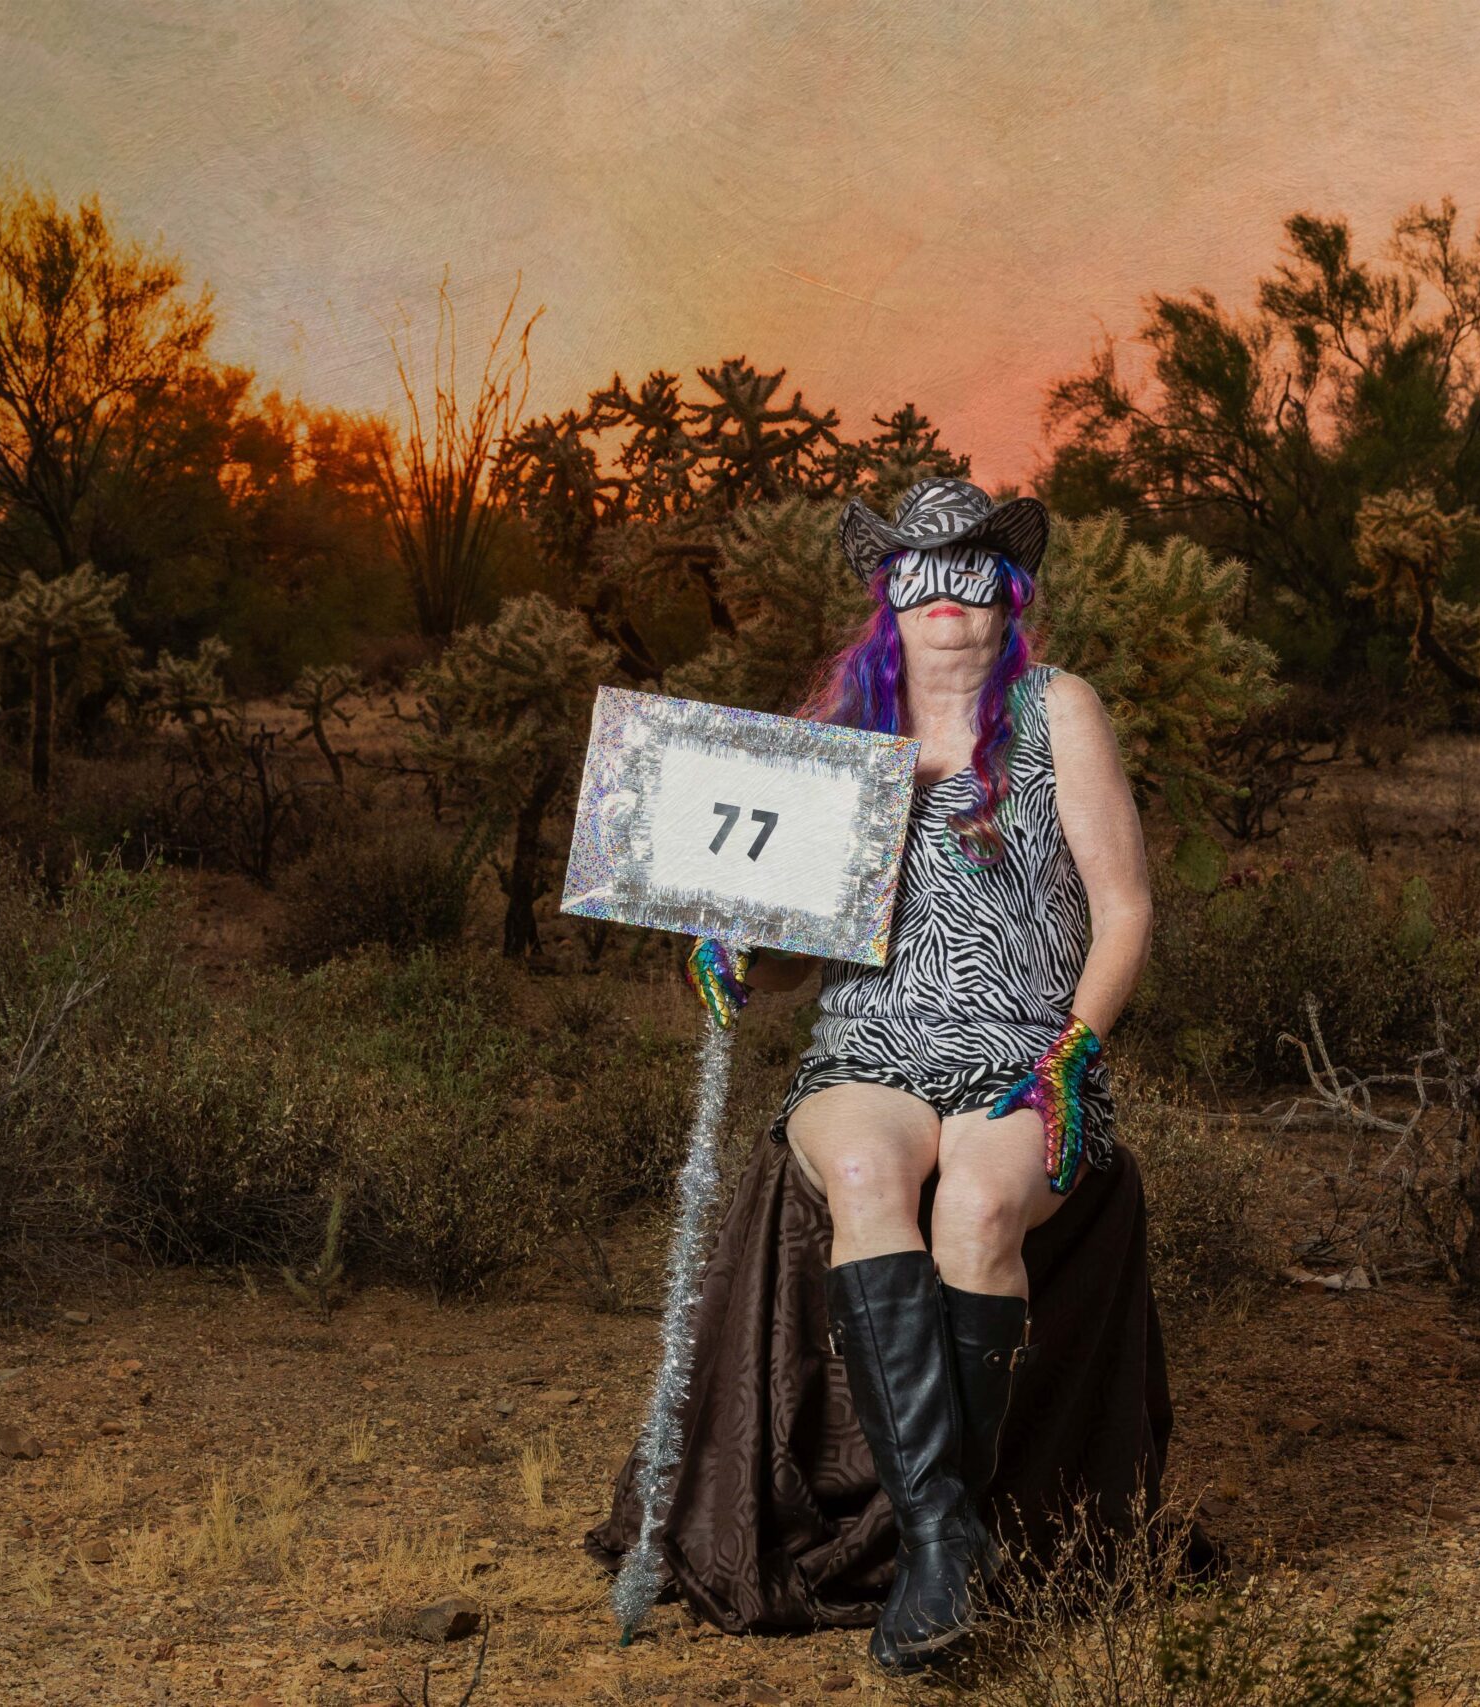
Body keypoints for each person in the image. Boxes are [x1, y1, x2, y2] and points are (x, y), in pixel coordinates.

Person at [587, 476, 1164, 1676]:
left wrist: (1076, 1047)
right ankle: (946, 1539)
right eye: (918, 570)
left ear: (1007, 593)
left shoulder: (1059, 713)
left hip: (1022, 1050)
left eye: (970, 568)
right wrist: (741, 951)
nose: (944, 592)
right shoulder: (842, 739)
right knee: (862, 1166)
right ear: (886, 596)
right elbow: (801, 963)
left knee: (981, 1205)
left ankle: (937, 1539)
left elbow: (1124, 907)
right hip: (870, 1050)